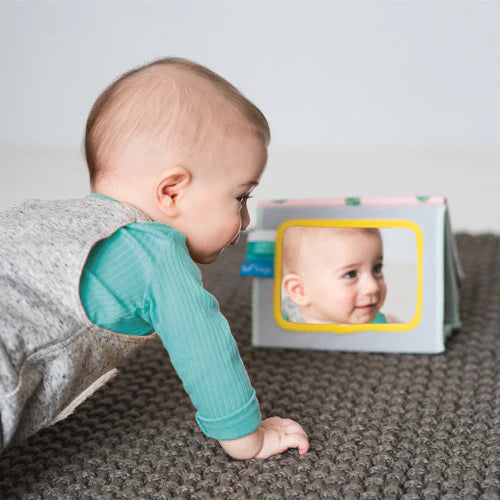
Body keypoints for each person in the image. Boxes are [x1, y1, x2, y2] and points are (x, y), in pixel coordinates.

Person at [0, 57, 309, 460]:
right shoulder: (156, 249)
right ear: (172, 192)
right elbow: (205, 348)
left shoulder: (40, 214)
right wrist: (249, 438)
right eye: (240, 197)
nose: (245, 220)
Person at [282, 226, 394, 325]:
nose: (373, 287)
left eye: (376, 269)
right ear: (300, 290)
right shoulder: (277, 330)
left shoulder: (381, 325)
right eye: (351, 274)